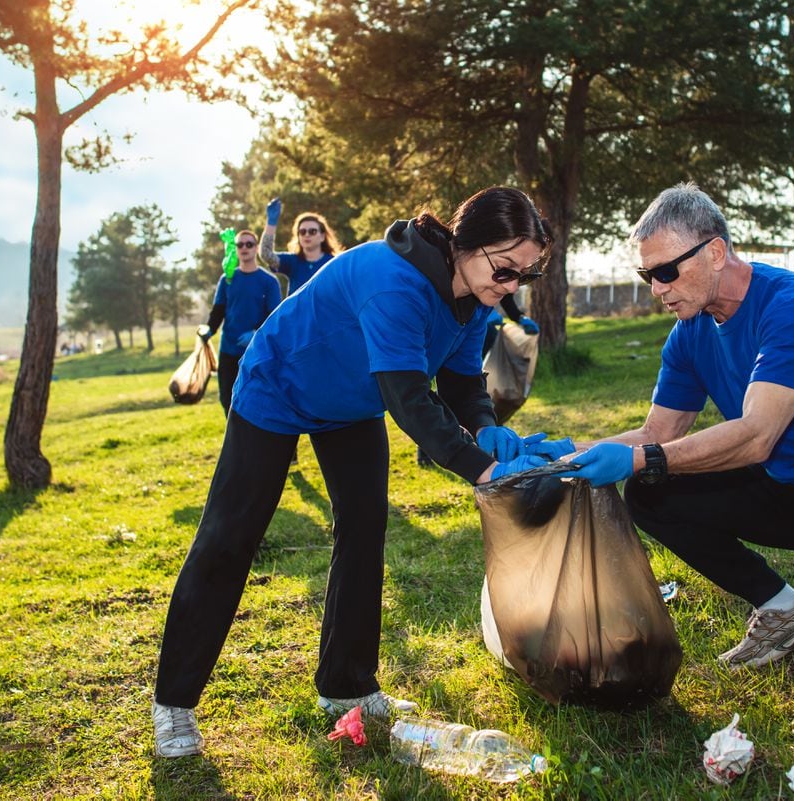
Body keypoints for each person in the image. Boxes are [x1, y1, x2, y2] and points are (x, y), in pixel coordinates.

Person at [152, 186, 556, 758]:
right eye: (506, 268)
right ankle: (173, 703)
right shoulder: (396, 280)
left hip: (352, 404)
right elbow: (411, 399)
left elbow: (462, 381)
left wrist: (484, 424)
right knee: (229, 537)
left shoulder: (476, 293)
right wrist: (482, 469)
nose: (512, 285)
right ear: (467, 242)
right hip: (279, 385)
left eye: (524, 275)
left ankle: (346, 687)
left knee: (364, 529)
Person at [551, 183, 794, 734]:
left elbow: (757, 436)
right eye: (647, 277)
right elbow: (657, 432)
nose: (657, 290)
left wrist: (644, 458)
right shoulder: (689, 333)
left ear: (715, 252)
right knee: (652, 489)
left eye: (666, 272)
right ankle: (785, 609)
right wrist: (566, 453)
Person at [417, 294, 539, 466]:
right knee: (442, 392)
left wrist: (519, 317)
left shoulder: (487, 309)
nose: (511, 285)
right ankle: (426, 450)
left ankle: (480, 431)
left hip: (482, 331)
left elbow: (507, 297)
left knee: (465, 389)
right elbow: (409, 394)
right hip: (455, 329)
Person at [198, 230, 282, 416]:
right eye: (240, 245)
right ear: (235, 249)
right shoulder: (227, 279)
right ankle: (236, 442)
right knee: (227, 398)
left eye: (249, 244)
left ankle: (261, 441)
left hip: (258, 351)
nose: (244, 248)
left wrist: (255, 333)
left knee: (257, 399)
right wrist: (209, 330)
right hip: (228, 350)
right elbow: (218, 310)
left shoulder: (268, 281)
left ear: (256, 248)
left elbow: (274, 317)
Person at [259, 199, 341, 296]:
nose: (307, 235)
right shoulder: (292, 261)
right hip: (297, 311)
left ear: (322, 236)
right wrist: (271, 223)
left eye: (312, 231)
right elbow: (266, 254)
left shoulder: (334, 262)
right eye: (302, 232)